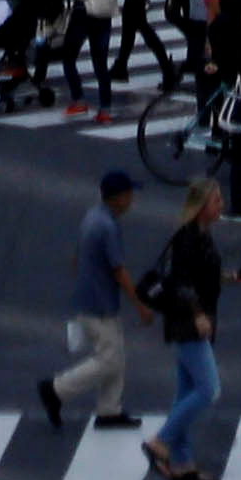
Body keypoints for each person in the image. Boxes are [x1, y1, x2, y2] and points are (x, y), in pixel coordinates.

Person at [34, 169, 144, 435]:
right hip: (99, 304)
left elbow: (78, 256)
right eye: (129, 194)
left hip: (89, 298)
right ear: (117, 198)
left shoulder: (93, 216)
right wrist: (140, 305)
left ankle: (109, 411)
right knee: (109, 359)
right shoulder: (107, 226)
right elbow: (119, 270)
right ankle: (56, 389)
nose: (131, 200)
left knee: (115, 354)